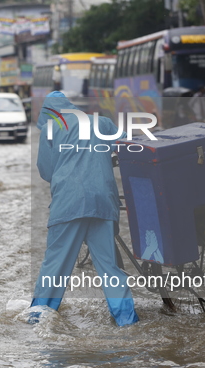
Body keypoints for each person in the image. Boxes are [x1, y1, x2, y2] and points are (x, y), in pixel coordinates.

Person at [30, 91, 139, 327]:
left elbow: (46, 171)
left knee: (55, 265)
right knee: (109, 267)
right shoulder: (101, 123)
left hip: (69, 204)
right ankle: (127, 321)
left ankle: (38, 318)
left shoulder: (51, 129)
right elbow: (129, 145)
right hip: (103, 201)